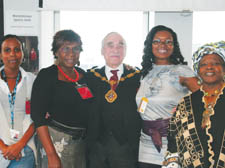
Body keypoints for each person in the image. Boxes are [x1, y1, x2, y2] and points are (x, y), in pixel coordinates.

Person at [136, 25, 199, 168]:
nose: (163, 45)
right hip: (145, 144)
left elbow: (205, 99)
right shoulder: (144, 72)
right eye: (157, 41)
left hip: (173, 143)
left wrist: (185, 112)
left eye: (168, 42)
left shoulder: (182, 71)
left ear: (174, 46)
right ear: (150, 45)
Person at [31, 30, 93, 168]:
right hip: (56, 144)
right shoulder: (47, 76)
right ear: (56, 52)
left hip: (80, 145)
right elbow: (38, 117)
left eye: (75, 48)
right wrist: (51, 154)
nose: (71, 53)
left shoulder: (83, 75)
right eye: (65, 48)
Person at [163, 41, 225, 168]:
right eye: (203, 64)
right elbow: (173, 141)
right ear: (197, 70)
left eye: (216, 63)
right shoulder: (185, 103)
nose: (209, 67)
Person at [87, 32, 142, 168]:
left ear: (125, 51)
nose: (115, 49)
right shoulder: (90, 77)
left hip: (127, 148)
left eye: (120, 45)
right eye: (110, 45)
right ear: (102, 51)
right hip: (95, 148)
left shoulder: (138, 77)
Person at [0, 34, 36, 168]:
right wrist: (3, 147)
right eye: (7, 50)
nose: (12, 54)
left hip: (24, 149)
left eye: (17, 49)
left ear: (22, 53)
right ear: (0, 54)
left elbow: (38, 117)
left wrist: (19, 145)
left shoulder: (32, 81)